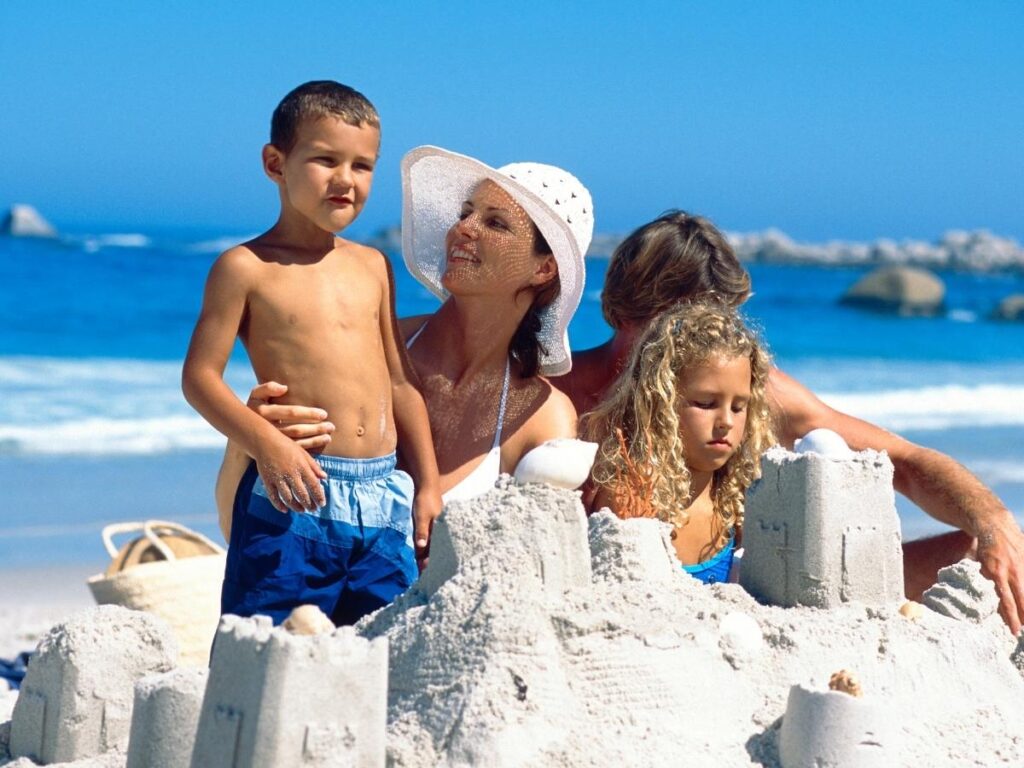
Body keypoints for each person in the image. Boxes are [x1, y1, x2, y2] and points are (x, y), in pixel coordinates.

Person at [562, 210, 1024, 634]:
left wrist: (994, 521)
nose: (693, 348)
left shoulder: (753, 395)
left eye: (716, 323)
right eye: (677, 327)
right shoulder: (559, 398)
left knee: (985, 557)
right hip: (630, 615)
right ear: (621, 312)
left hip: (757, 593)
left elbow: (901, 460)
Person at [215, 145, 595, 556]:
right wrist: (247, 440)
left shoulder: (542, 417)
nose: (464, 228)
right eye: (465, 212)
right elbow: (235, 531)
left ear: (543, 268)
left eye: (496, 223)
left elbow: (528, 572)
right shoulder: (369, 346)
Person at [181, 81, 441, 626]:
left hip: (383, 498)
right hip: (297, 492)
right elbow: (200, 379)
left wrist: (428, 486)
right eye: (325, 160)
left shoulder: (373, 265)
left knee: (384, 655)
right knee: (269, 651)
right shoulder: (246, 267)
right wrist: (267, 445)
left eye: (362, 165)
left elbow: (399, 384)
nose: (346, 179)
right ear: (275, 163)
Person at [582, 301, 774, 583]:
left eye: (738, 407)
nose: (726, 422)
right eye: (706, 403)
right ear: (661, 403)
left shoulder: (737, 502)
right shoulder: (634, 497)